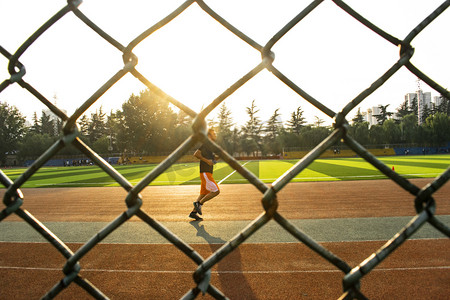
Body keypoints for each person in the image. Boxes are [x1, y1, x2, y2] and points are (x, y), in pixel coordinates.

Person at [189, 128, 220, 221]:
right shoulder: (206, 144)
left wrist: (219, 157)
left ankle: (193, 213)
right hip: (205, 172)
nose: (215, 135)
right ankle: (199, 204)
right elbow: (196, 154)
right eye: (213, 134)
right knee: (216, 191)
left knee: (203, 194)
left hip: (207, 172)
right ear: (209, 136)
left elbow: (213, 160)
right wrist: (207, 161)